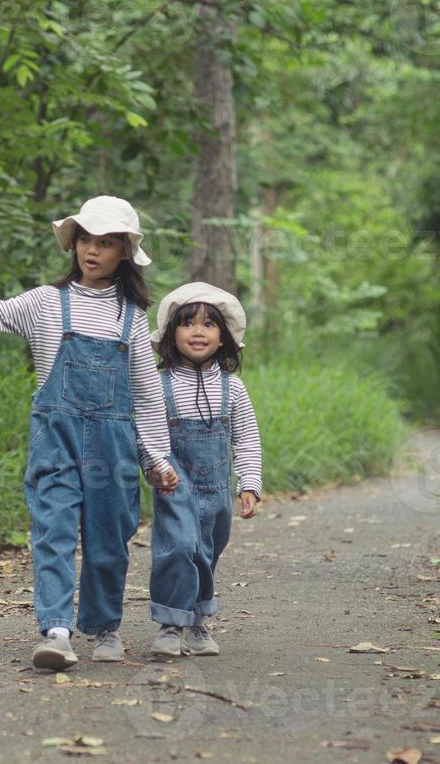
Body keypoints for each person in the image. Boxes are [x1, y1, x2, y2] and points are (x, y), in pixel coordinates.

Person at [0, 196, 178, 671]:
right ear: (74, 244)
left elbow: (148, 395)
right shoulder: (47, 302)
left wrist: (157, 458)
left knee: (109, 540)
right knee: (54, 531)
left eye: (106, 243)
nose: (93, 250)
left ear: (123, 253)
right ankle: (56, 632)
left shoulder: (131, 317)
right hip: (56, 441)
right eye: (86, 239)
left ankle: (105, 627)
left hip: (114, 449)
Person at [145, 282, 263, 657]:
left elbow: (245, 439)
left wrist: (250, 484)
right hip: (174, 483)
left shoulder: (234, 389)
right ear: (170, 333)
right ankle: (170, 623)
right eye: (188, 323)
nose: (198, 331)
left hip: (217, 490)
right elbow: (146, 433)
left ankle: (197, 619)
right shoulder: (159, 385)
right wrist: (155, 465)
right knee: (178, 547)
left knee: (207, 551)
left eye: (209, 324)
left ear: (224, 336)